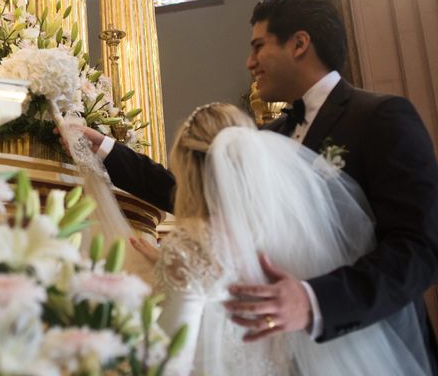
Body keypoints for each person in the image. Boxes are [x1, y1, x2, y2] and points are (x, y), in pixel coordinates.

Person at [80, 0, 438, 372]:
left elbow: (418, 248)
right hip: (279, 351)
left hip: (364, 342)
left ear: (299, 44)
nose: (250, 62)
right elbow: (196, 192)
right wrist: (105, 149)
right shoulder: (269, 135)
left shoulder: (380, 117)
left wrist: (312, 301)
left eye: (258, 46)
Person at [129, 102, 430, 375]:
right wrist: (177, 271)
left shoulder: (190, 243)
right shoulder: (280, 226)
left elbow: (170, 360)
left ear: (188, 168)